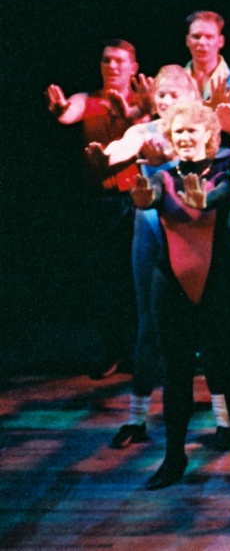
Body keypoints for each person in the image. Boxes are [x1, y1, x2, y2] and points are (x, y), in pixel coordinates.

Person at [129, 101, 230, 493]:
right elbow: (151, 195)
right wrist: (144, 197)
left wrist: (206, 199)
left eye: (192, 130)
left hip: (221, 285)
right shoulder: (162, 176)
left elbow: (224, 195)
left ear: (209, 135)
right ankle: (174, 458)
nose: (184, 137)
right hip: (171, 287)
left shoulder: (226, 174)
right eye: (179, 131)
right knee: (177, 373)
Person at [92, 65, 201, 448]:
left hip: (194, 235)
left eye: (174, 94)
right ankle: (136, 419)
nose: (167, 101)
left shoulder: (199, 131)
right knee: (149, 323)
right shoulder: (144, 131)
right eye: (162, 95)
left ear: (191, 96)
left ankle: (224, 419)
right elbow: (121, 149)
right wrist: (105, 157)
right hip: (152, 232)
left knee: (208, 323)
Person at [46, 39, 146, 379]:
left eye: (119, 61)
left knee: (139, 277)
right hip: (100, 202)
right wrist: (60, 109)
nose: (112, 66)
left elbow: (149, 124)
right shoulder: (87, 100)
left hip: (137, 202)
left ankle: (142, 351)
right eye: (106, 60)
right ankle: (113, 350)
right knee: (106, 278)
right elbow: (69, 111)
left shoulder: (142, 103)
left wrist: (136, 111)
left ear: (133, 68)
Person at [183, 10, 230, 108]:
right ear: (187, 41)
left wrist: (225, 105)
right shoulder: (175, 78)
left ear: (221, 41)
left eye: (209, 37)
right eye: (196, 37)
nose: (202, 42)